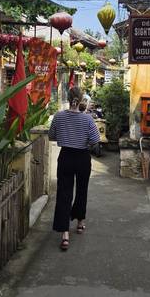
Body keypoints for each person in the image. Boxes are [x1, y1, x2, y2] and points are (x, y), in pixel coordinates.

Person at [49, 86, 100, 250]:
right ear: (81, 100)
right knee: (82, 190)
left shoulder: (59, 116)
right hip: (82, 157)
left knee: (64, 192)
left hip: (65, 157)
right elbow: (94, 140)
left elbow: (52, 136)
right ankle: (80, 222)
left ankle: (64, 233)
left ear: (69, 98)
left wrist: (66, 136)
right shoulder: (88, 119)